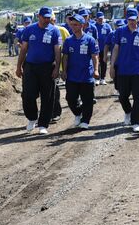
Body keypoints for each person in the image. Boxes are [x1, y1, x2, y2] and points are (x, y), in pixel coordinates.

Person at [15, 7, 61, 135]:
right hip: (30, 67)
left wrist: (57, 68)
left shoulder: (54, 31)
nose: (47, 19)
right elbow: (24, 49)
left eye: (48, 17)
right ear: (38, 16)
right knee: (27, 95)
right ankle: (32, 118)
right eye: (44, 17)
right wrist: (19, 67)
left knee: (48, 97)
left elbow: (57, 51)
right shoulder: (29, 30)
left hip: (47, 68)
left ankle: (43, 124)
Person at [109, 8, 139, 133]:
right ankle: (128, 111)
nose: (132, 22)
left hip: (138, 70)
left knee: (138, 98)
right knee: (123, 97)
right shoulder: (120, 31)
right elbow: (115, 49)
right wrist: (111, 67)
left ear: (138, 19)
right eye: (130, 20)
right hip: (123, 70)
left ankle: (136, 123)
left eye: (134, 20)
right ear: (127, 20)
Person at [61, 14, 100, 129]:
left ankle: (85, 121)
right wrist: (64, 71)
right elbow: (65, 57)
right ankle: (78, 113)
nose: (73, 27)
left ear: (82, 25)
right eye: (72, 25)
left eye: (76, 25)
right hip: (72, 76)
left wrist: (96, 70)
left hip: (86, 76)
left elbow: (94, 56)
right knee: (70, 99)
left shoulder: (90, 40)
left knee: (87, 100)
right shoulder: (68, 41)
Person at [50, 15, 70, 122]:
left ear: (55, 21)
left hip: (62, 65)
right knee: (52, 89)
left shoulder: (62, 30)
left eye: (52, 20)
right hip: (50, 66)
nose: (50, 22)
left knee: (56, 89)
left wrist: (65, 68)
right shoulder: (44, 32)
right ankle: (52, 112)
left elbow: (69, 47)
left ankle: (56, 112)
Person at [95, 11, 112, 85]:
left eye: (101, 18)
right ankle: (97, 78)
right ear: (96, 19)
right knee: (97, 63)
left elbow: (111, 35)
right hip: (96, 49)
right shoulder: (94, 26)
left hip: (104, 48)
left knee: (104, 63)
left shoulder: (107, 26)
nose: (100, 20)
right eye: (99, 18)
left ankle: (103, 78)